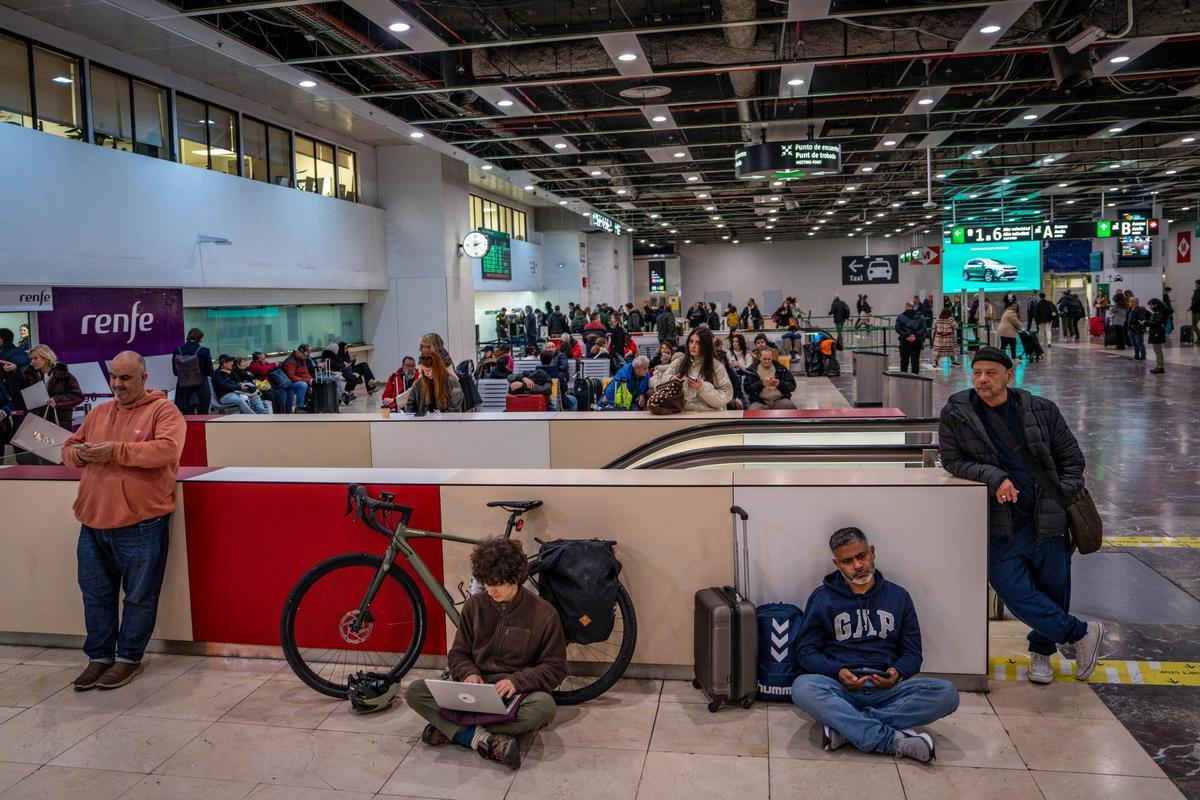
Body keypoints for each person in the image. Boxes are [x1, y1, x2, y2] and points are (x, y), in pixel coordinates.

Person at [938, 347, 1105, 685]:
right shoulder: (957, 412)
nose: (983, 380)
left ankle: (1041, 653)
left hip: (1047, 518)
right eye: (978, 372)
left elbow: (1072, 459)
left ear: (1009, 376)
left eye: (991, 373)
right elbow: (952, 459)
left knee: (1053, 587)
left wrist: (1062, 494)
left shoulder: (1041, 410)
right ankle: (1082, 633)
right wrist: (992, 475)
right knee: (1011, 587)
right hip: (1001, 524)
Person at [61, 351, 186, 690]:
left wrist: (115, 451)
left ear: (144, 378)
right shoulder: (99, 412)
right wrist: (79, 453)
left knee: (139, 597)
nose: (118, 384)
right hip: (92, 523)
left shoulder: (164, 411)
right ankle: (99, 657)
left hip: (142, 524)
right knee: (96, 596)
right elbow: (68, 450)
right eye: (114, 377)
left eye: (126, 377)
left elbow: (166, 451)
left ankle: (128, 658)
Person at [790, 527, 959, 763]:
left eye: (861, 556)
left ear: (872, 552)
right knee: (802, 687)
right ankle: (891, 740)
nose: (857, 566)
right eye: (847, 561)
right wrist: (837, 672)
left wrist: (897, 673)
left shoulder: (899, 597)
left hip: (888, 691)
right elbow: (805, 652)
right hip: (841, 688)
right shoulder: (822, 598)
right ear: (836, 564)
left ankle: (848, 727)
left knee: (947, 694)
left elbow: (912, 653)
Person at [405, 536, 565, 769]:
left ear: (516, 577)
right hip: (474, 692)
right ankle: (483, 739)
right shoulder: (475, 606)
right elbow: (458, 654)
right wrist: (469, 673)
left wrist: (517, 681)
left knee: (544, 707)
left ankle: (456, 731)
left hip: (513, 696)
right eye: (487, 583)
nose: (491, 589)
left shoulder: (545, 614)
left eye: (498, 583)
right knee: (415, 692)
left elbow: (555, 667)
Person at [648, 327, 734, 412]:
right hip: (681, 415)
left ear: (706, 345)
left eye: (698, 343)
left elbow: (726, 396)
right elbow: (658, 382)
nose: (693, 346)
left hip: (708, 416)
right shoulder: (679, 362)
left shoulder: (717, 366)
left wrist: (702, 387)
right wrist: (671, 379)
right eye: (691, 341)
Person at [171, 328, 214, 415]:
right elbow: (210, 372)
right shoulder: (204, 351)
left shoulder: (177, 351)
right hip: (201, 387)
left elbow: (175, 372)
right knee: (203, 415)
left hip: (183, 388)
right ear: (200, 338)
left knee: (187, 416)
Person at [743, 345, 796, 410]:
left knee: (790, 407)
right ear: (759, 357)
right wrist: (761, 384)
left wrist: (779, 383)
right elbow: (747, 389)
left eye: (769, 359)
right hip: (760, 401)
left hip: (779, 399)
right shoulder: (752, 370)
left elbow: (792, 386)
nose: (767, 361)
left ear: (772, 357)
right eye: (764, 359)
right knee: (752, 412)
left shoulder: (781, 368)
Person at [894, 302, 926, 375]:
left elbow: (897, 328)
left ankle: (904, 379)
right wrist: (915, 335)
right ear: (913, 307)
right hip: (916, 342)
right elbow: (923, 328)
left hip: (904, 342)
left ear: (906, 306)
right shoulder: (921, 316)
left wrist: (906, 335)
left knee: (904, 362)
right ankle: (915, 378)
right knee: (915, 362)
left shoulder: (900, 317)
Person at [281, 344, 315, 411]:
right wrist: (307, 381)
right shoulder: (290, 361)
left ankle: (314, 405)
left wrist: (311, 380)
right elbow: (291, 377)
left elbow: (306, 373)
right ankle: (300, 407)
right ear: (301, 351)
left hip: (297, 380)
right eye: (307, 352)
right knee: (303, 385)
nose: (308, 355)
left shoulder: (302, 359)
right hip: (288, 382)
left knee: (315, 382)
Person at [1147, 298, 1168, 374]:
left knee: (1158, 351)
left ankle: (1160, 367)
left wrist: (1146, 323)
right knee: (1156, 350)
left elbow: (1157, 323)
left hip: (1157, 333)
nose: (1150, 307)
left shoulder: (1161, 313)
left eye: (1150, 305)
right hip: (1154, 332)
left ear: (1155, 305)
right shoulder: (1156, 313)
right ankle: (1158, 366)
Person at [1126, 297, 1149, 362]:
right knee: (1134, 344)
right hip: (1131, 329)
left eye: (1130, 302)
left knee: (1140, 344)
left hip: (1138, 330)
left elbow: (1141, 319)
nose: (1129, 303)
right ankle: (1136, 356)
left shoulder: (1140, 309)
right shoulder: (1130, 309)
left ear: (1134, 303)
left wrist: (1132, 321)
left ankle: (1143, 356)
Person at [1189, 279, 1200, 344]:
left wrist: (1191, 307)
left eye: (1195, 284)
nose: (1195, 285)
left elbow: (1196, 301)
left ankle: (1198, 338)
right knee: (1195, 325)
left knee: (1194, 325)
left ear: (1198, 284)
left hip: (1196, 311)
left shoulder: (1197, 291)